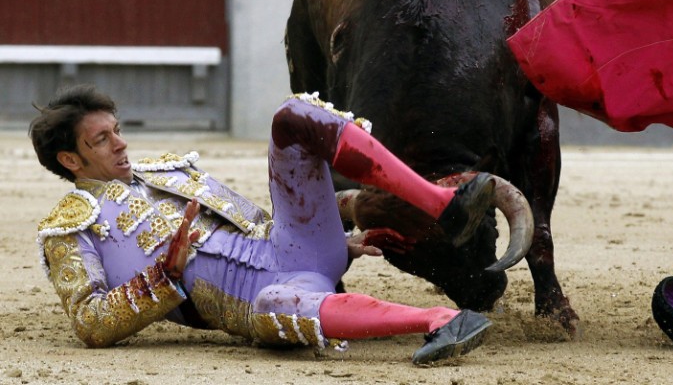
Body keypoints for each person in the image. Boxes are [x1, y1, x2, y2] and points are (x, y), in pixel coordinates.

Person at [31, 85, 496, 365]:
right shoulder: (71, 229)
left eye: (116, 129)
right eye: (102, 139)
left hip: (291, 249)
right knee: (274, 301)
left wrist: (337, 240)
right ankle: (440, 321)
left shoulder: (167, 171)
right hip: (263, 299)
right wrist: (163, 275)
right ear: (70, 159)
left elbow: (254, 223)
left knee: (292, 117)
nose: (121, 142)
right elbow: (90, 323)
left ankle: (442, 203)